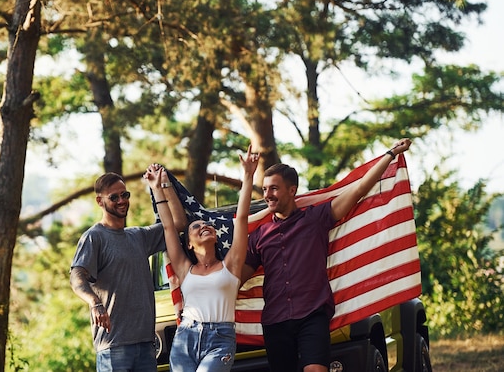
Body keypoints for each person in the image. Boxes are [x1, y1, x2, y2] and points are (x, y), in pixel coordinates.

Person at [241, 139, 413, 372]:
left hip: (313, 314)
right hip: (275, 321)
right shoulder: (259, 235)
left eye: (274, 188)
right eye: (264, 189)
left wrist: (390, 154)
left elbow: (360, 189)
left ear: (292, 190)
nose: (267, 195)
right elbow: (237, 277)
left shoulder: (316, 218)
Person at [145, 145, 259, 372]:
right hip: (185, 336)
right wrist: (158, 189)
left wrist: (248, 175)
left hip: (220, 339)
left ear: (216, 237)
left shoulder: (231, 265)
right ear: (188, 243)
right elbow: (168, 228)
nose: (204, 226)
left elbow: (243, 217)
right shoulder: (184, 268)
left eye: (207, 225)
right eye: (196, 226)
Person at [70, 169, 187, 372]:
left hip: (146, 345)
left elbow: (179, 223)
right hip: (114, 347)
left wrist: (162, 186)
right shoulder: (94, 237)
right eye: (113, 197)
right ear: (100, 201)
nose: (121, 200)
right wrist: (95, 303)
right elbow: (76, 277)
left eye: (125, 195)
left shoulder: (138, 236)